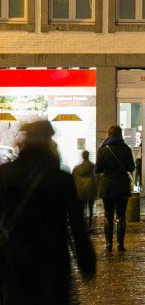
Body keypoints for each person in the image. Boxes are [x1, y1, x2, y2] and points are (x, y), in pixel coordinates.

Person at [0, 120, 95, 304]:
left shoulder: (5, 174)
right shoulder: (61, 179)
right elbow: (77, 226)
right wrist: (86, 262)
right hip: (52, 261)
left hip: (14, 261)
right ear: (47, 142)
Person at [96, 124, 136, 253]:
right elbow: (131, 167)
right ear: (120, 134)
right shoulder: (126, 149)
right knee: (121, 215)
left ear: (109, 134)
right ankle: (120, 243)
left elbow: (98, 169)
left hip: (107, 185)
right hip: (121, 186)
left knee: (108, 215)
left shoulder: (102, 149)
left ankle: (108, 244)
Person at [72, 149, 98, 223]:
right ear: (88, 156)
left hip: (81, 191)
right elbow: (96, 179)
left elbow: (73, 179)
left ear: (82, 156)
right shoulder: (93, 167)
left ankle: (82, 222)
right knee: (90, 208)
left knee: (82, 208)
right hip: (90, 189)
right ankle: (90, 221)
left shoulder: (77, 168)